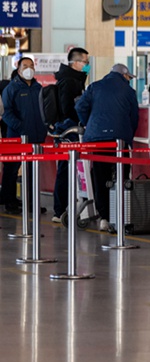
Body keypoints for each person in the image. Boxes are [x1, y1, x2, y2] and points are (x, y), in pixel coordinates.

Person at [75, 64, 139, 231]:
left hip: (98, 139)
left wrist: (90, 123)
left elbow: (80, 107)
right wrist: (128, 134)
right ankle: (121, 216)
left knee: (100, 176)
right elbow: (134, 117)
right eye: (128, 77)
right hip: (120, 140)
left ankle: (104, 217)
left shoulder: (94, 86)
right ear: (124, 75)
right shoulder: (129, 91)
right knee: (122, 176)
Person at [0, 57, 48, 214]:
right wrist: (21, 127)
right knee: (12, 169)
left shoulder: (38, 88)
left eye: (31, 65)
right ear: (19, 69)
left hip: (36, 136)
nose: (29, 68)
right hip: (16, 136)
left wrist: (44, 127)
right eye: (25, 65)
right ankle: (9, 201)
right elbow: (6, 113)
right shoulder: (12, 88)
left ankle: (32, 202)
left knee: (33, 170)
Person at [52, 47, 91, 222]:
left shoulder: (75, 79)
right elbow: (68, 108)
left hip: (72, 128)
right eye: (85, 62)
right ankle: (59, 209)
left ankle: (68, 206)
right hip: (69, 129)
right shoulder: (69, 81)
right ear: (75, 62)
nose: (87, 65)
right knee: (65, 168)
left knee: (72, 169)